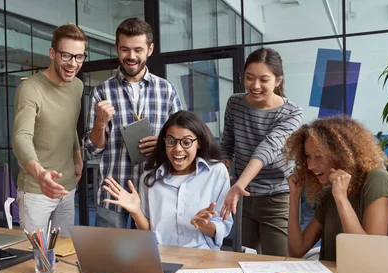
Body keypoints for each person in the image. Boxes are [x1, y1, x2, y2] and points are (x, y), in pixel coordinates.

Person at [85, 17, 183, 228]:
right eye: (125, 49)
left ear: (150, 49)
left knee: (149, 259)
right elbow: (93, 149)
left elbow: (183, 141)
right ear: (117, 49)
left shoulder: (167, 90)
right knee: (110, 259)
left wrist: (163, 143)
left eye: (138, 49)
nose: (131, 56)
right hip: (113, 192)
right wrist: (100, 124)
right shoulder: (101, 91)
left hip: (155, 191)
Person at [102, 111, 232, 249]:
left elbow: (223, 225)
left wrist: (205, 225)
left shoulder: (216, 172)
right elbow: (148, 234)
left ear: (198, 142)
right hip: (162, 257)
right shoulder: (149, 178)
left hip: (203, 257)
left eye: (186, 142)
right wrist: (136, 212)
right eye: (171, 141)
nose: (177, 149)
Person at [284, 116, 388, 261]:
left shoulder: (377, 179)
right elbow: (297, 250)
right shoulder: (328, 191)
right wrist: (294, 196)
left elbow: (371, 251)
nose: (310, 166)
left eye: (319, 156)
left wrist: (341, 198)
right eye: (308, 156)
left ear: (341, 155)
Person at [219, 47, 303, 256]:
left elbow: (268, 148)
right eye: (249, 78)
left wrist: (239, 184)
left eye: (263, 80)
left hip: (276, 197)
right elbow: (227, 144)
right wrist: (224, 165)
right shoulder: (235, 103)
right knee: (242, 261)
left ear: (278, 80)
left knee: (278, 261)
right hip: (242, 198)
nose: (255, 86)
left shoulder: (292, 112)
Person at [12, 24, 88, 233]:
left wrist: (77, 156)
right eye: (66, 56)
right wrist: (40, 175)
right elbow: (21, 138)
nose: (73, 64)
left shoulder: (77, 87)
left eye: (79, 57)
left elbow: (69, 125)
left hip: (67, 187)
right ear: (52, 53)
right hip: (37, 190)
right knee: (35, 256)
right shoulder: (30, 89)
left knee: (64, 253)